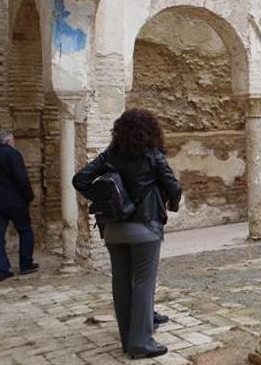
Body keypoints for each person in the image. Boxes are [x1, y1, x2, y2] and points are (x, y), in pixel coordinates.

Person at [73, 109, 181, 359]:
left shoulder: (110, 156)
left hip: (113, 229)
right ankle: (141, 342)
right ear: (150, 131)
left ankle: (127, 340)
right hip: (145, 228)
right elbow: (173, 186)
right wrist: (170, 203)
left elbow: (80, 179)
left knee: (121, 283)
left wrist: (106, 199)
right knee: (143, 284)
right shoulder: (153, 156)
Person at [0, 130, 39, 282]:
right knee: (25, 231)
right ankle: (26, 264)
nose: (14, 143)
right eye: (12, 140)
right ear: (7, 141)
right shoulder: (12, 154)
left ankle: (1, 270)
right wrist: (29, 196)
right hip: (15, 202)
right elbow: (21, 177)